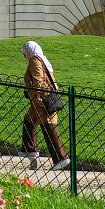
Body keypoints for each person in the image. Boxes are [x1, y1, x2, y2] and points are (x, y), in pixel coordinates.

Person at [19, 40, 69, 170]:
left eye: (24, 52)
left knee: (48, 125)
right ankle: (29, 149)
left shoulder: (35, 59)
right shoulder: (42, 59)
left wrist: (37, 95)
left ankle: (61, 157)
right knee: (29, 120)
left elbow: (38, 78)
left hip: (41, 99)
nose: (24, 55)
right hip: (41, 98)